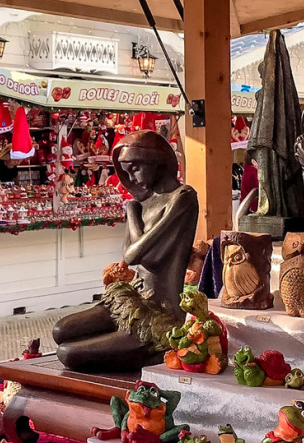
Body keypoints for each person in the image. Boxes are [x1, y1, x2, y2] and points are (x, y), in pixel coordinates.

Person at [52, 131, 198, 372]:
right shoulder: (142, 202)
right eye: (126, 171)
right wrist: (134, 206)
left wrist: (131, 211)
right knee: (61, 331)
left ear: (157, 162)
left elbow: (136, 256)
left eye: (136, 168)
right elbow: (130, 254)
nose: (131, 177)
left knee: (68, 353)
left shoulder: (182, 198)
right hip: (130, 300)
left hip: (158, 313)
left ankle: (153, 350)